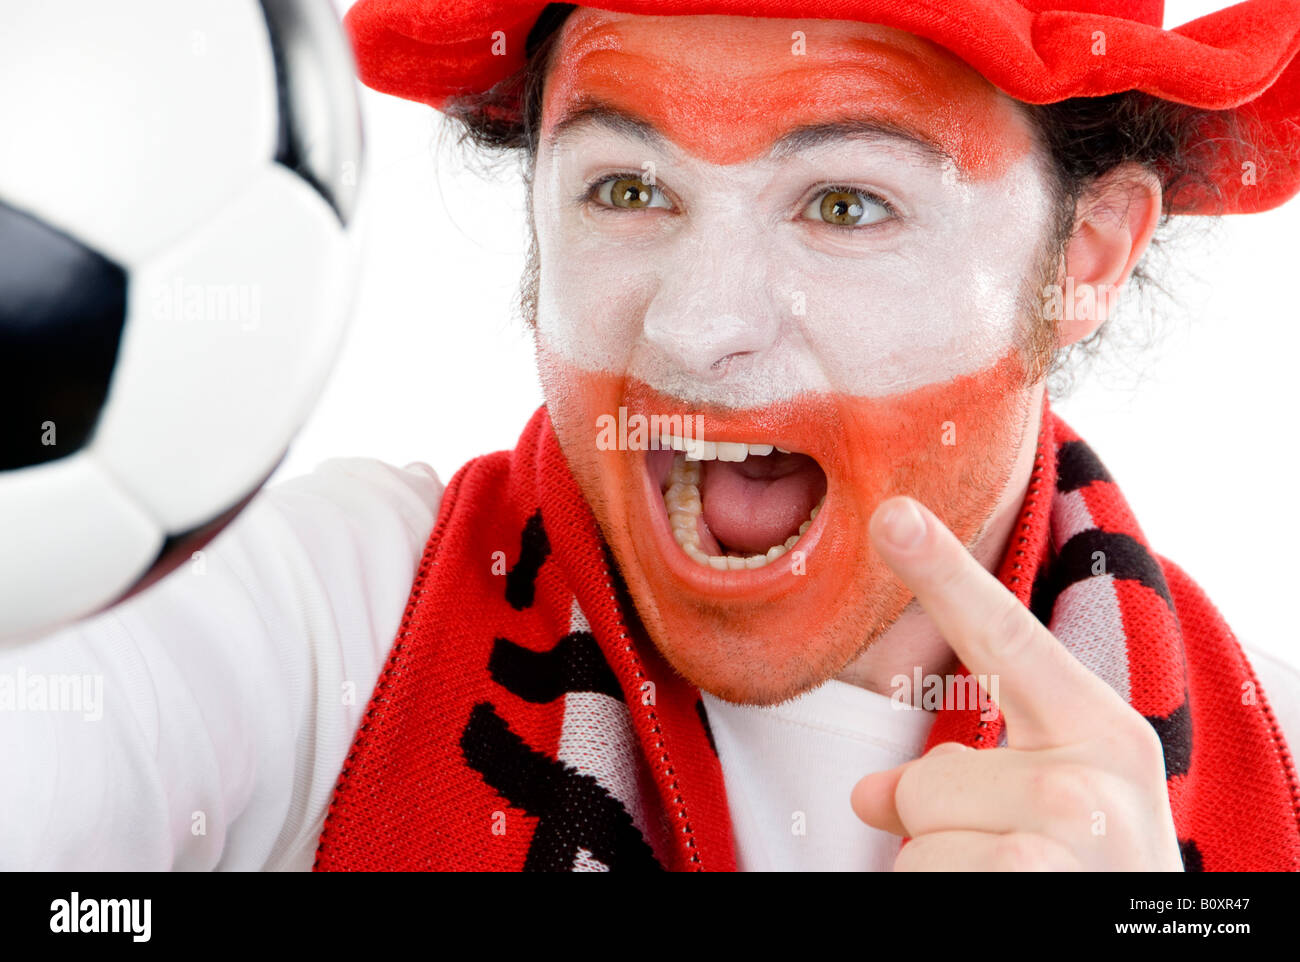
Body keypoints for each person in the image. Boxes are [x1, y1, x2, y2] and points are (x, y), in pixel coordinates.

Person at [4, 0, 1299, 871]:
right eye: (628, 189)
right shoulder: (338, 627)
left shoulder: (1278, 761)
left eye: (847, 202)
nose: (695, 330)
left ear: (1090, 252)